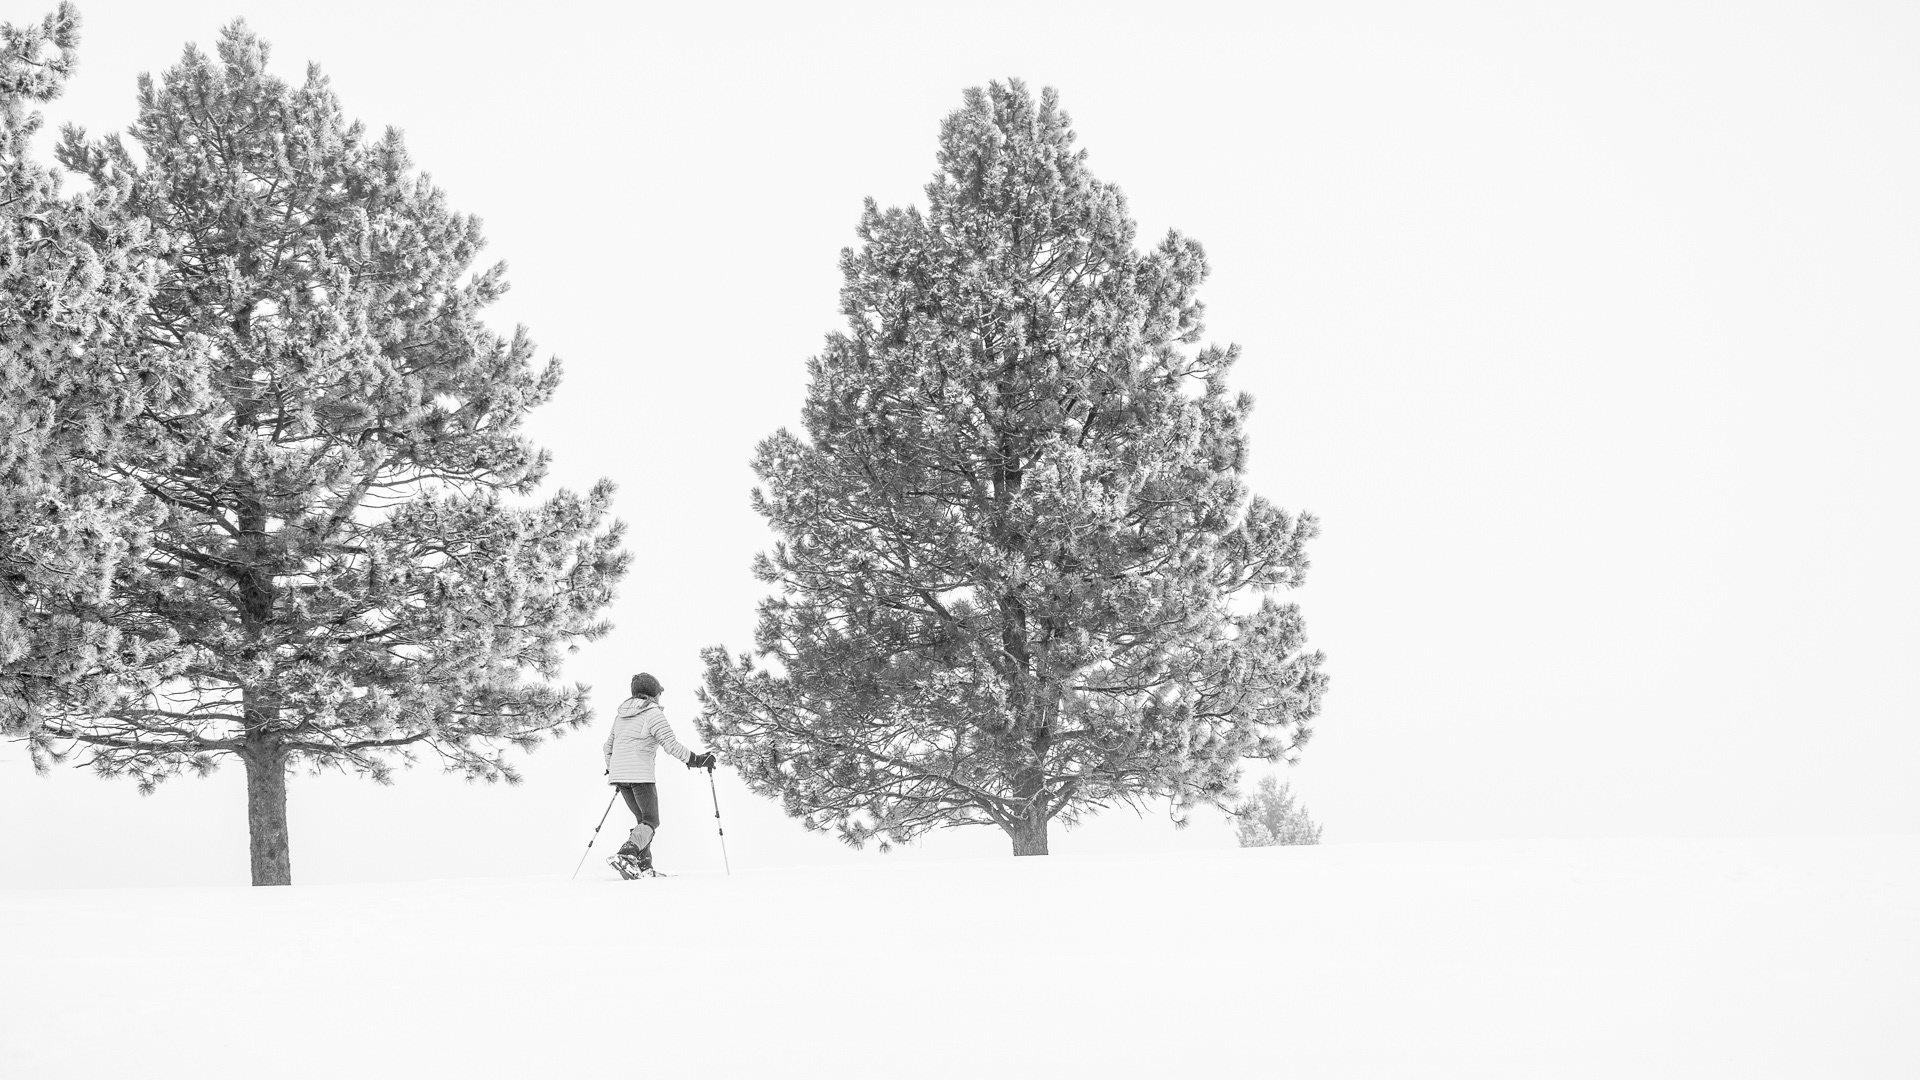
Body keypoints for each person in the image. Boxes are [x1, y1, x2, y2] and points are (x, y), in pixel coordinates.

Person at [602, 672, 716, 877]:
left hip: (619, 776)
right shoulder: (652, 713)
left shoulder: (620, 716)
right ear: (653, 694)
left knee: (642, 821)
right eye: (659, 693)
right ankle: (626, 854)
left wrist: (614, 768)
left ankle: (644, 868)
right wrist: (697, 760)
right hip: (640, 776)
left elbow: (608, 747)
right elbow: (670, 745)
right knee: (651, 821)